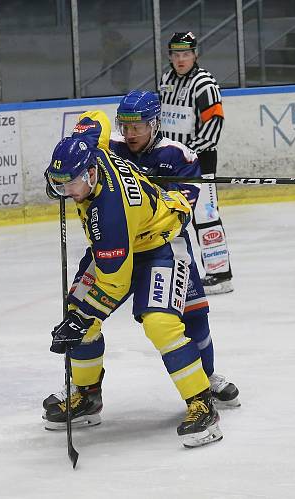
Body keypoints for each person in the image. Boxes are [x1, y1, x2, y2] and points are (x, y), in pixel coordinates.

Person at [42, 132, 223, 448]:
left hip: (160, 243)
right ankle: (87, 396)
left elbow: (115, 282)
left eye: (70, 184)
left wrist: (83, 319)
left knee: (159, 323)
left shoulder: (110, 212)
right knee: (77, 315)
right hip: (125, 242)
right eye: (60, 183)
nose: (66, 192)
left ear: (91, 173)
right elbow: (95, 121)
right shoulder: (95, 151)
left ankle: (202, 402)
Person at [109, 90, 240, 407]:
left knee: (195, 317)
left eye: (137, 126)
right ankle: (84, 393)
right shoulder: (110, 149)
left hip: (169, 249)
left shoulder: (180, 158)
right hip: (118, 251)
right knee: (83, 316)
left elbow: (181, 213)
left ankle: (206, 378)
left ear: (154, 124)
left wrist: (152, 191)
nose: (130, 134)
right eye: (125, 126)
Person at [159, 31, 233, 294]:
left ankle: (220, 274)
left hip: (198, 161)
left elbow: (214, 126)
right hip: (167, 161)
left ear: (195, 55)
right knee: (170, 216)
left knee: (205, 216)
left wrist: (188, 153)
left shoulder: (205, 84)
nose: (181, 59)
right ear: (170, 56)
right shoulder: (166, 78)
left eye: (186, 54)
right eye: (176, 54)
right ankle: (173, 273)